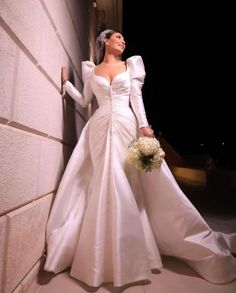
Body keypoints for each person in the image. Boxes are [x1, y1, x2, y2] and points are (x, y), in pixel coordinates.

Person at [44, 29, 236, 287]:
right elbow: (85, 100)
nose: (123, 41)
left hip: (125, 123)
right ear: (105, 41)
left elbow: (136, 98)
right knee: (103, 176)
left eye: (123, 39)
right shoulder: (92, 71)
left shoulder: (130, 65)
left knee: (124, 177)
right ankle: (100, 248)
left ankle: (129, 249)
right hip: (99, 127)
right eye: (118, 37)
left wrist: (145, 127)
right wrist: (67, 85)